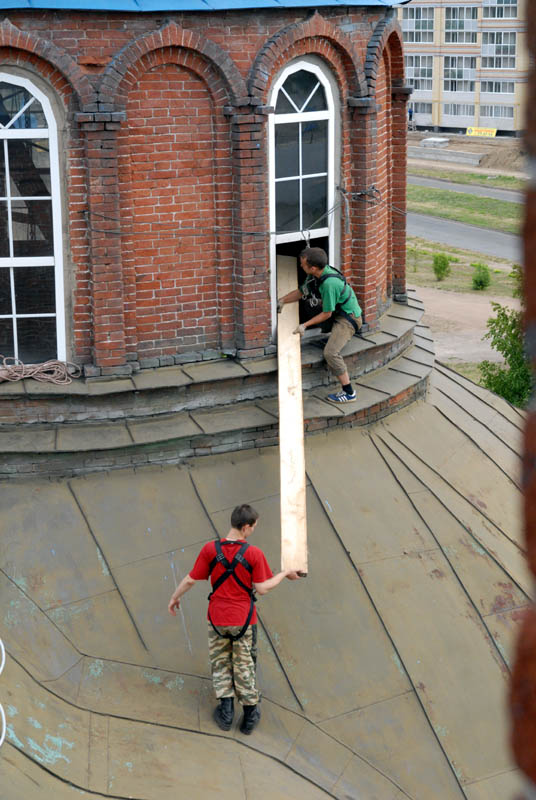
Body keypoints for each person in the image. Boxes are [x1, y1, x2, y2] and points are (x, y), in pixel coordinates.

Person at [167, 503, 300, 735]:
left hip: (217, 619)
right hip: (243, 620)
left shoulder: (211, 549)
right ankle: (249, 717)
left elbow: (190, 579)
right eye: (254, 527)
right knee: (244, 665)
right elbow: (262, 588)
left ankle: (226, 714)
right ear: (246, 527)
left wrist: (174, 597)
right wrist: (283, 574)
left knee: (220, 663)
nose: (254, 530)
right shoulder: (254, 554)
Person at [277, 246, 363, 403]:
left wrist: (304, 325)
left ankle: (349, 393)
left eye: (303, 264)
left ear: (313, 268)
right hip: (337, 312)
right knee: (309, 304)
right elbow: (301, 292)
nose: (300, 265)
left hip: (348, 319)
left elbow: (327, 314)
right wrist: (282, 300)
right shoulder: (315, 276)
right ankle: (331, 333)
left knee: (330, 353)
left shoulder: (329, 284)